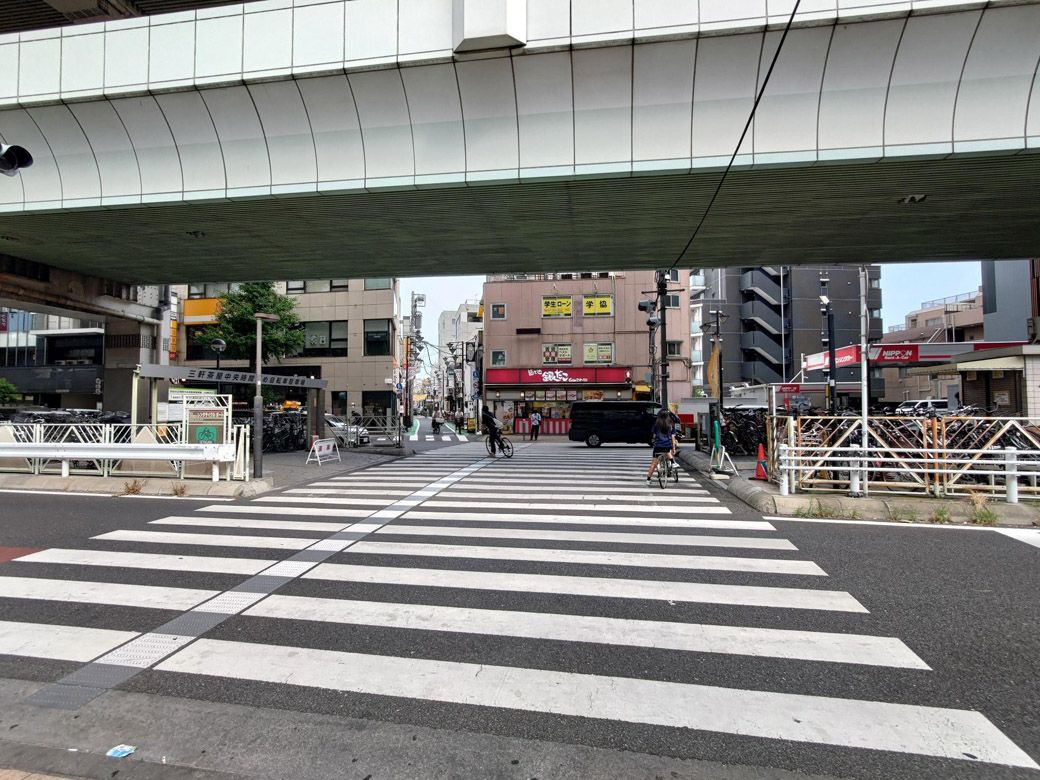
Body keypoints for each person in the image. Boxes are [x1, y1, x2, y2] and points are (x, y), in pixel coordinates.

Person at [646, 409, 678, 483]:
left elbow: (654, 436)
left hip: (658, 446)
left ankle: (648, 479)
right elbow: (673, 438)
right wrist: (673, 448)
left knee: (653, 464)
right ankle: (673, 463)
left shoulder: (656, 424)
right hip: (667, 445)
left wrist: (654, 440)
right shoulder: (671, 425)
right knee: (667, 452)